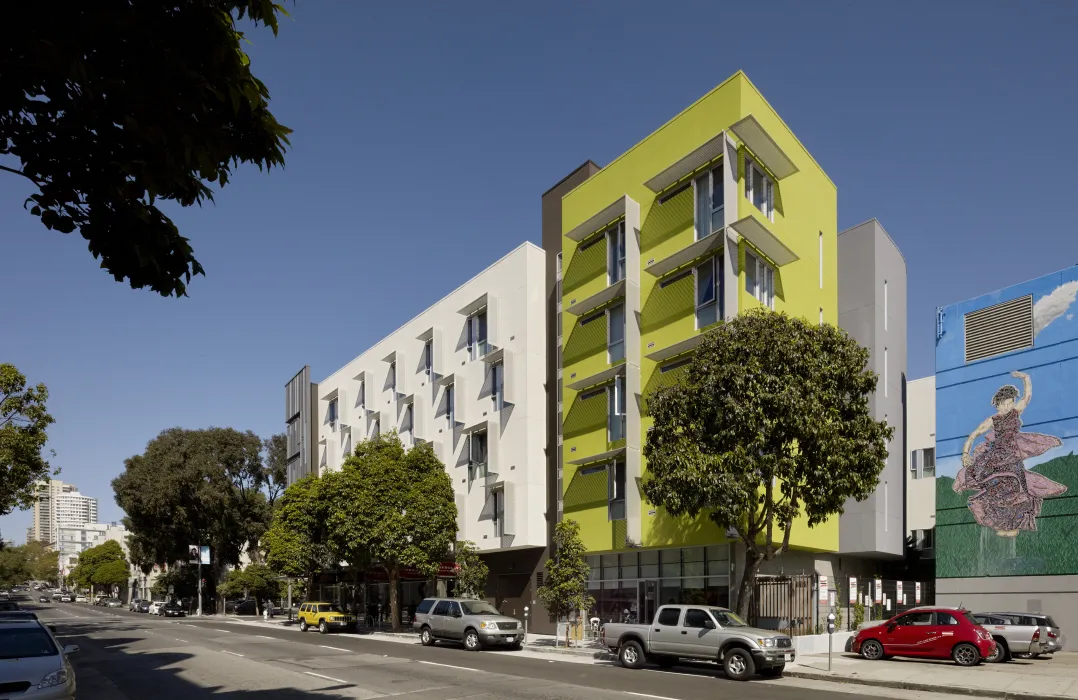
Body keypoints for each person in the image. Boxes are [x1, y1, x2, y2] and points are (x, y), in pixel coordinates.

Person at [954, 371, 1066, 536]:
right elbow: (973, 435)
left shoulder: (1015, 412)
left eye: (1010, 403)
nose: (1007, 407)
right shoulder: (992, 420)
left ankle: (1012, 525)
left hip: (1012, 457)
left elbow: (1027, 398)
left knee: (1016, 490)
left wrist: (1026, 378)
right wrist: (965, 454)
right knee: (996, 491)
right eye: (1004, 404)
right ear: (997, 405)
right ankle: (1002, 524)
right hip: (996, 458)